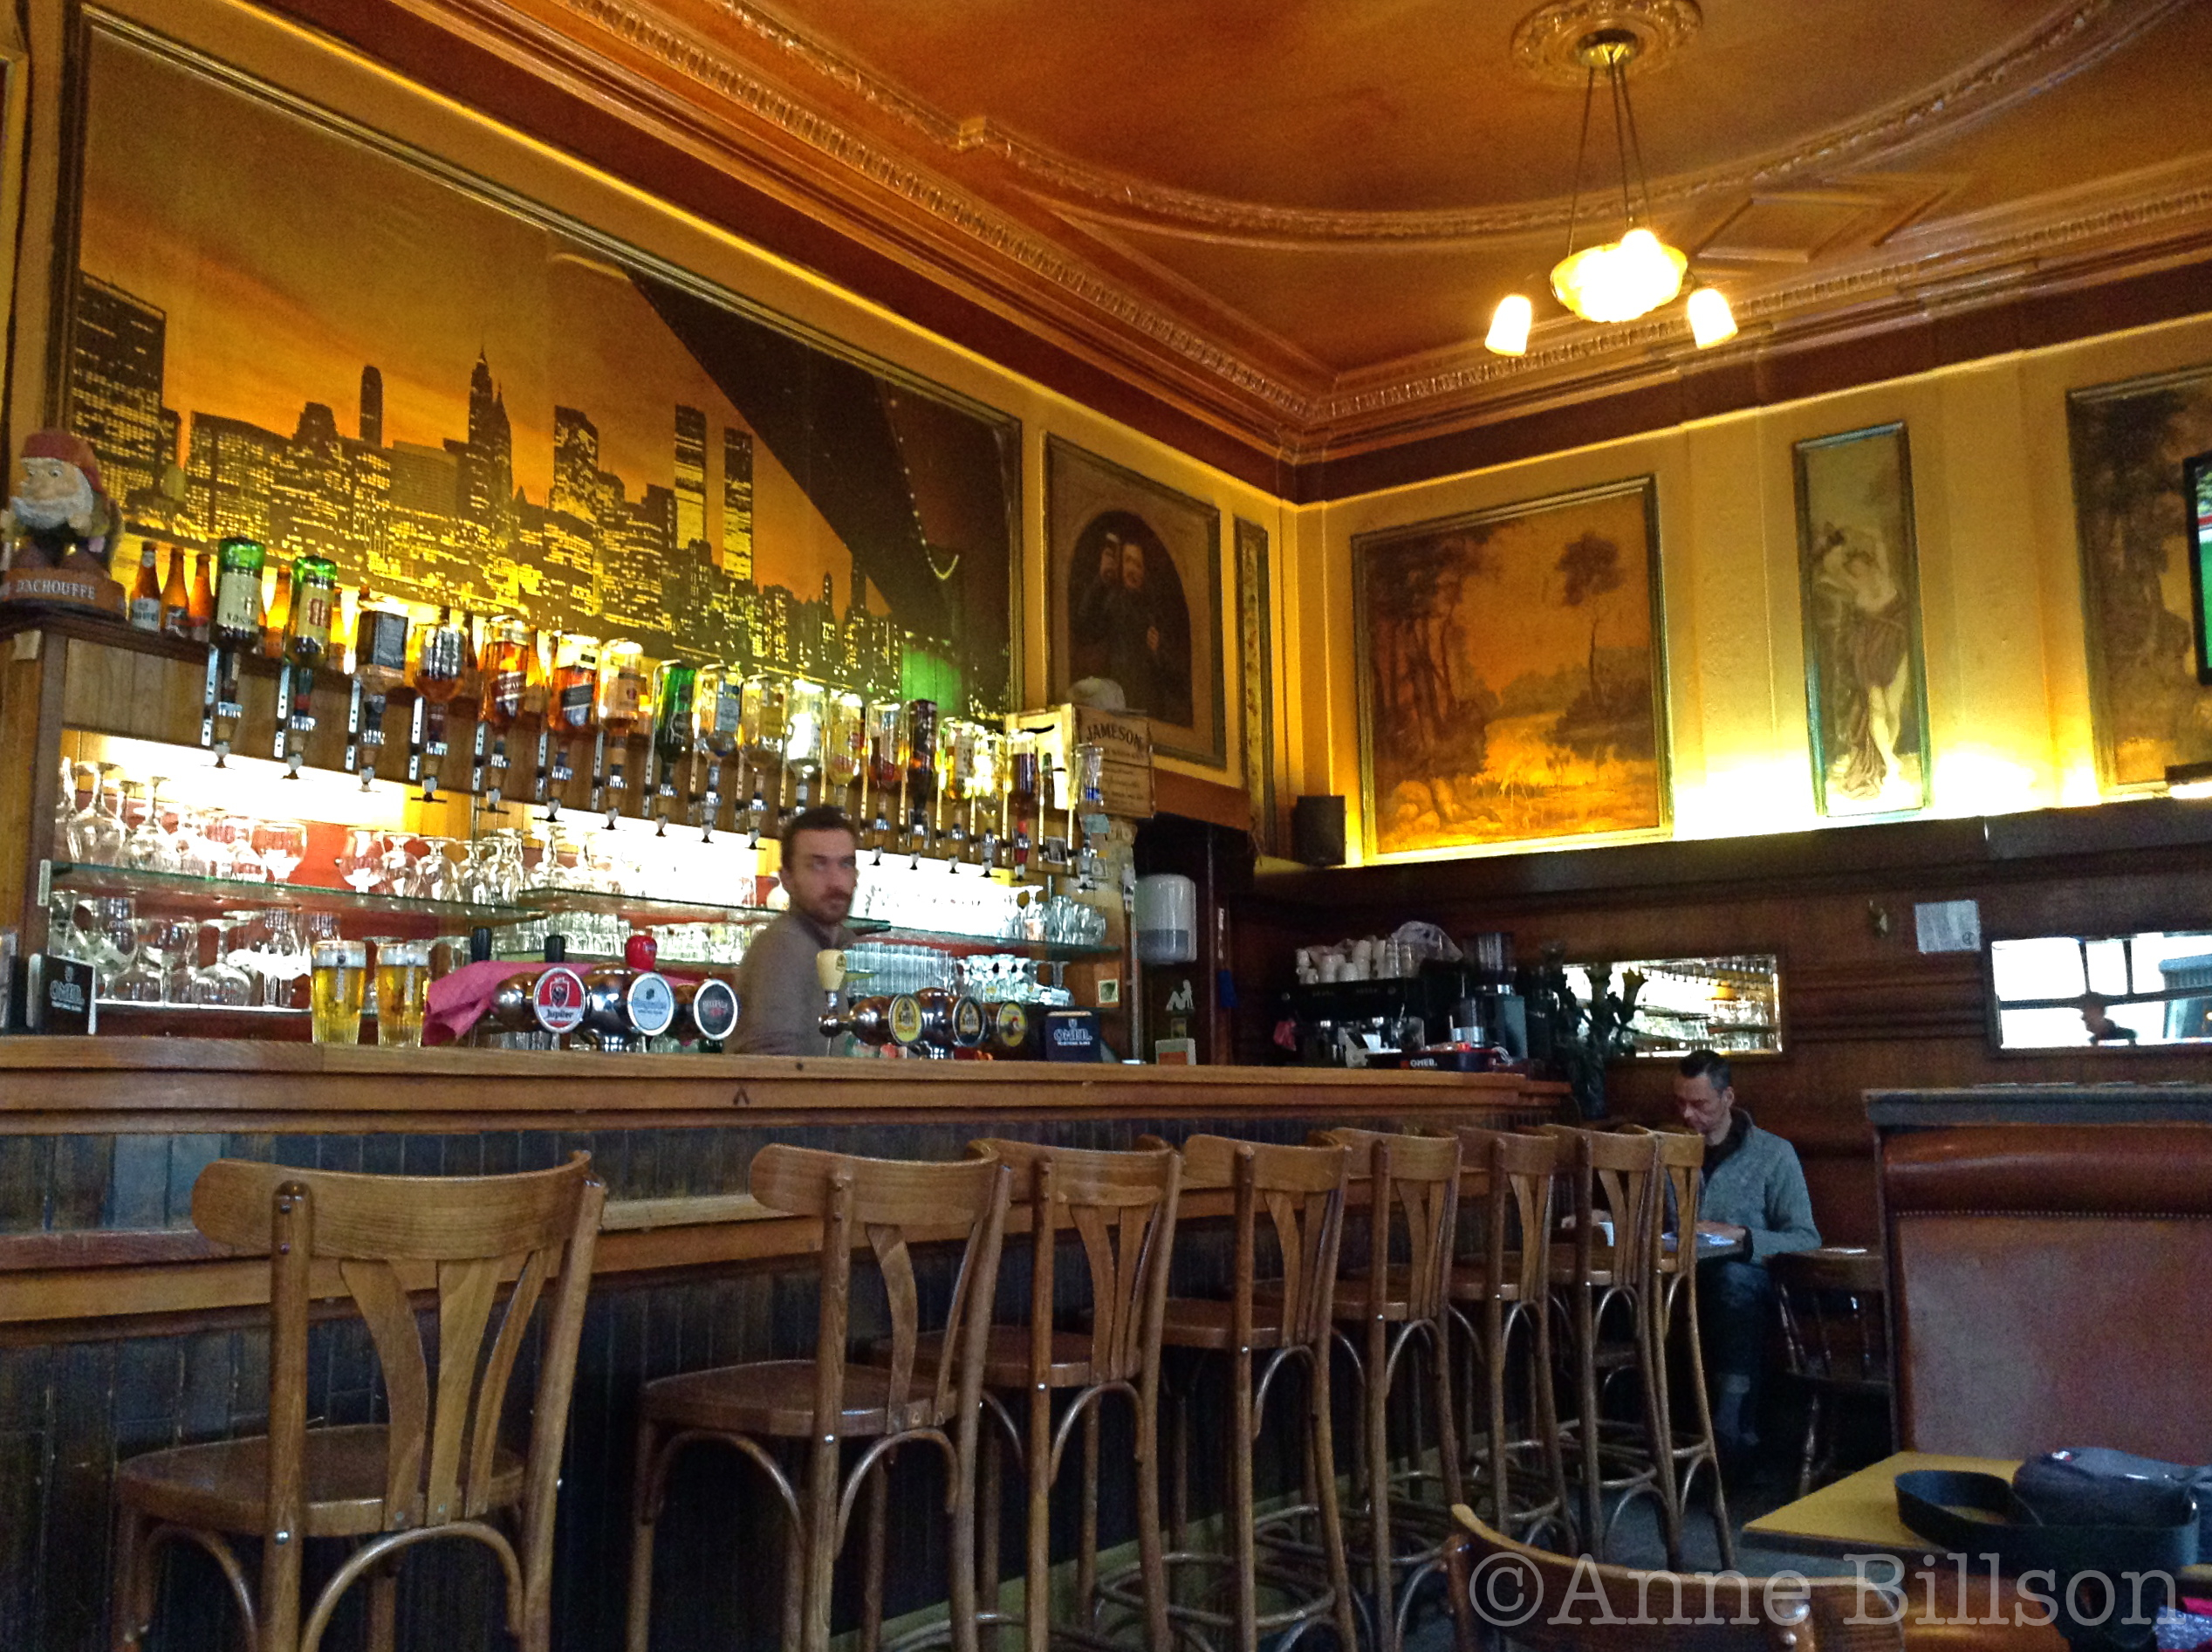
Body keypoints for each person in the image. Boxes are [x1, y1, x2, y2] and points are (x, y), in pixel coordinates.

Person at [1673, 1048, 1821, 1463]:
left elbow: (1806, 1239)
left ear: (1728, 1098)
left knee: (1732, 1283)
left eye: (1699, 1104)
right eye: (1680, 1103)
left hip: (1749, 1282)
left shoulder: (1772, 1154)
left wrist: (1743, 1237)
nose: (1687, 1115)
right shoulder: (1668, 1152)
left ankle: (1731, 1430)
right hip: (1679, 1276)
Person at [733, 805, 859, 1056]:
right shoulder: (782, 948)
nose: (836, 881)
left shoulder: (824, 946)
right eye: (818, 865)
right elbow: (772, 1066)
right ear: (787, 879)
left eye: (845, 864)